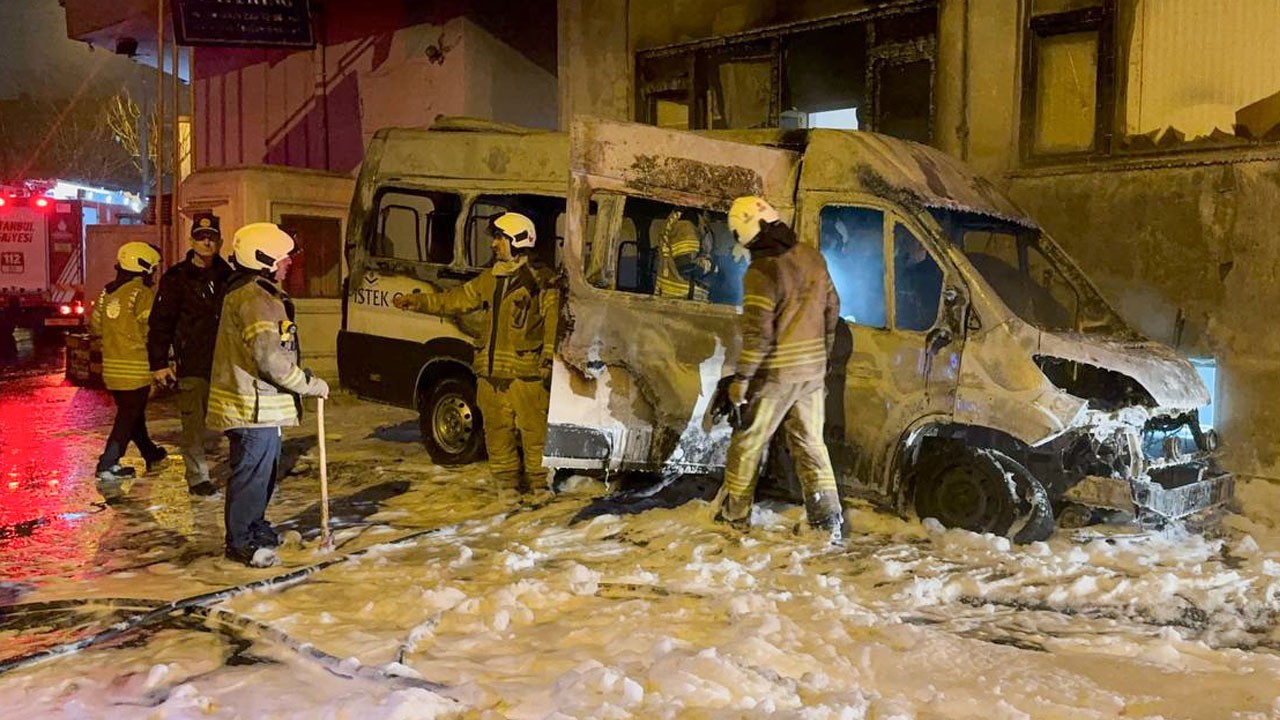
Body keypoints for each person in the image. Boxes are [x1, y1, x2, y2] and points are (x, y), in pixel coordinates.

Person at [393, 211, 558, 499]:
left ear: (518, 240)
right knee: (497, 433)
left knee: (534, 435)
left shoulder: (542, 281)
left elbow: (554, 322)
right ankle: (507, 487)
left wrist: (547, 360)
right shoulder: (490, 279)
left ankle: (540, 488)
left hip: (526, 377)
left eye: (499, 238)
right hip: (489, 376)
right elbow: (455, 300)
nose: (494, 244)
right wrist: (417, 301)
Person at [716, 196, 844, 539]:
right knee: (811, 443)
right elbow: (833, 308)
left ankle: (735, 518)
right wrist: (823, 355)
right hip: (812, 373)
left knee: (748, 442)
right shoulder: (811, 257)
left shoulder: (762, 271)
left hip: (776, 376)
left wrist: (741, 381)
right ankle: (827, 520)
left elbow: (759, 335)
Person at [207, 222, 329, 567]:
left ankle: (255, 527)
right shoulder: (255, 299)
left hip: (261, 406)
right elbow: (269, 359)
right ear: (264, 259)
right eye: (284, 257)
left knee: (262, 473)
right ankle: (242, 542)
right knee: (251, 474)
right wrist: (308, 384)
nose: (289, 263)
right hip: (252, 406)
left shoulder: (258, 294)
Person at [147, 212, 232, 496]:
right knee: (193, 424)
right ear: (192, 239)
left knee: (235, 420)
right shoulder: (177, 278)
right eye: (201, 237)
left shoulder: (228, 276)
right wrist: (159, 363)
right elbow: (161, 322)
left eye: (211, 237)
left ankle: (242, 468)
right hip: (193, 363)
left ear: (219, 241)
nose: (206, 242)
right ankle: (198, 477)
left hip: (225, 364)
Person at [91, 242, 168, 495]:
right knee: (127, 417)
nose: (154, 274)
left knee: (132, 414)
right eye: (153, 269)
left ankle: (150, 452)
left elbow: (96, 328)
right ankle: (108, 462)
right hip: (136, 368)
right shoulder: (142, 293)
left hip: (111, 368)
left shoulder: (107, 292)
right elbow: (152, 329)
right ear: (144, 267)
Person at [654, 210, 712, 301]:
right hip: (681, 298)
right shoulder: (686, 226)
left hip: (677, 296)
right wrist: (711, 267)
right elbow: (685, 265)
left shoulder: (679, 220)